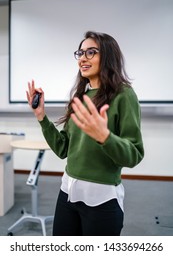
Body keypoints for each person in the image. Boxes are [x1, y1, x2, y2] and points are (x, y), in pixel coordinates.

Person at [26, 30, 144, 236]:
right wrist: (41, 116)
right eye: (80, 53)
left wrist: (105, 137)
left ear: (108, 56)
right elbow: (63, 149)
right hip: (68, 193)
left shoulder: (124, 95)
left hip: (102, 198)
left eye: (91, 52)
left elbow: (134, 154)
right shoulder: (80, 96)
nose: (82, 59)